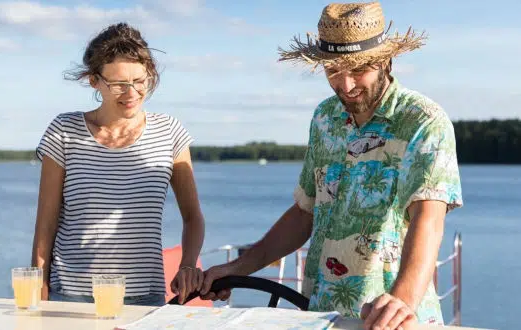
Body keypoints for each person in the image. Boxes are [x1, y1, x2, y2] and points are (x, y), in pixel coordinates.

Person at [200, 2, 463, 329]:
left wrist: (402, 300)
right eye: (333, 70)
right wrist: (239, 267)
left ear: (384, 60)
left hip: (393, 318)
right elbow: (305, 211)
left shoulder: (423, 121)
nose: (346, 85)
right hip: (319, 315)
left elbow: (428, 218)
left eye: (357, 70)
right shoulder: (325, 118)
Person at [31, 22, 205, 306]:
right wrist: (38, 284)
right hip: (71, 296)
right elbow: (46, 223)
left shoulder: (170, 131)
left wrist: (187, 265)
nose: (132, 93)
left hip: (144, 297)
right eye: (118, 84)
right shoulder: (64, 130)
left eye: (140, 81)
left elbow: (193, 217)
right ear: (94, 80)